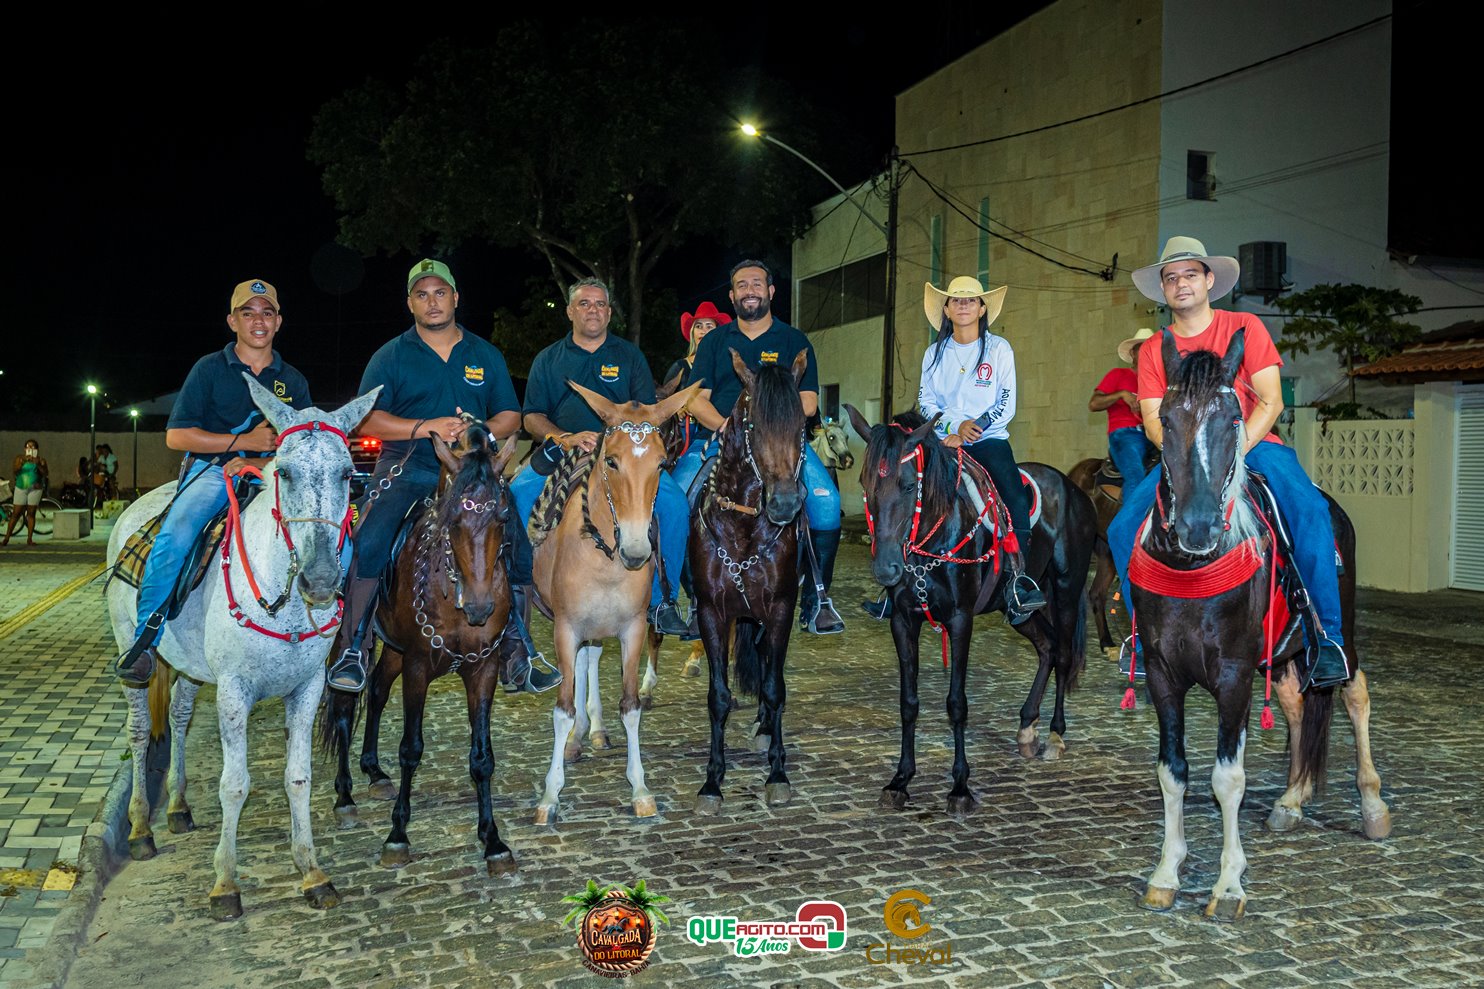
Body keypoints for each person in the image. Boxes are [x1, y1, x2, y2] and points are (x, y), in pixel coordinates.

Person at [1107, 236, 1350, 689]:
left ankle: (1326, 639)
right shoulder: (1154, 350)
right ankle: (1142, 639)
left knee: (1311, 512)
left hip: (1253, 444)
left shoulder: (1246, 326)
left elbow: (1271, 401)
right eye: (1171, 277)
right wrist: (1188, 455)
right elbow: (1154, 421)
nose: (1181, 284)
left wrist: (1229, 456)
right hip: (1182, 458)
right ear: (1163, 290)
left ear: (1209, 280)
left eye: (1190, 274)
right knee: (1120, 529)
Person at [326, 259, 559, 695]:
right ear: (410, 303)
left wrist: (481, 432)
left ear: (455, 298)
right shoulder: (391, 355)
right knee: (372, 539)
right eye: (421, 294)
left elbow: (511, 414)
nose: (431, 302)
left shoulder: (484, 354)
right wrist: (424, 427)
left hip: (474, 473)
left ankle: (518, 649)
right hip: (409, 467)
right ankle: (352, 645)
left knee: (518, 545)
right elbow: (367, 419)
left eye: (439, 293)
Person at [113, 279, 313, 685]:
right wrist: (241, 446)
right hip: (212, 472)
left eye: (267, 313)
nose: (258, 320)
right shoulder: (209, 369)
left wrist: (265, 458)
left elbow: (302, 442)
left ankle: (331, 637)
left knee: (326, 533)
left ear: (279, 322)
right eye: (248, 312)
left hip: (271, 474)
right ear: (232, 321)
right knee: (176, 534)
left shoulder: (292, 380)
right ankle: (146, 637)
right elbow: (178, 436)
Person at [510, 276, 695, 638]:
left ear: (609, 313)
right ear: (569, 311)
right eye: (584, 303)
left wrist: (620, 437)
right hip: (565, 450)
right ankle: (515, 596)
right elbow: (531, 416)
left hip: (623, 457)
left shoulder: (629, 356)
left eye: (599, 304)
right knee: (516, 493)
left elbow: (646, 413)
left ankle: (662, 599)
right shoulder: (549, 359)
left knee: (675, 505)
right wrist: (564, 438)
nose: (592, 310)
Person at [670, 259, 846, 635]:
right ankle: (683, 599)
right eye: (741, 285)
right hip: (718, 442)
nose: (750, 290)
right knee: (670, 502)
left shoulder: (793, 340)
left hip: (780, 445)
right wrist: (725, 427)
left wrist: (769, 423)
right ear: (732, 296)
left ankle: (817, 598)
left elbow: (810, 401)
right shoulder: (716, 341)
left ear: (770, 292)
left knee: (828, 503)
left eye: (757, 284)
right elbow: (696, 400)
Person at [916, 276, 1047, 624]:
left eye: (971, 300)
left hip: (988, 439)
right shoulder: (934, 353)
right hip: (944, 439)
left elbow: (1006, 400)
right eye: (956, 300)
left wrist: (973, 428)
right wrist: (951, 427)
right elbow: (925, 401)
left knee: (1015, 499)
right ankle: (903, 578)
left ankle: (1020, 580)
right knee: (909, 490)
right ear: (945, 308)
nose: (963, 305)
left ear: (982, 307)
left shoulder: (999, 349)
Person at [1088, 329, 1158, 491]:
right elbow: (1094, 404)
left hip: (1155, 434)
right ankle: (1133, 516)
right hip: (1126, 434)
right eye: (1143, 347)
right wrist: (1121, 394)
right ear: (1133, 353)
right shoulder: (1118, 374)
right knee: (1135, 477)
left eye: (1152, 347)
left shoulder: (1159, 381)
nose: (1149, 351)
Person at [3, 439, 48, 546]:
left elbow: (45, 473)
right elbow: (15, 470)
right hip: (21, 488)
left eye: (33, 447)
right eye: (28, 447)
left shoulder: (41, 460)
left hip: (35, 489)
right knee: (16, 513)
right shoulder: (19, 458)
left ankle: (30, 539)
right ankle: (6, 538)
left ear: (37, 449)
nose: (30, 449)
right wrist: (23, 461)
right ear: (24, 449)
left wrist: (38, 465)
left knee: (31, 514)